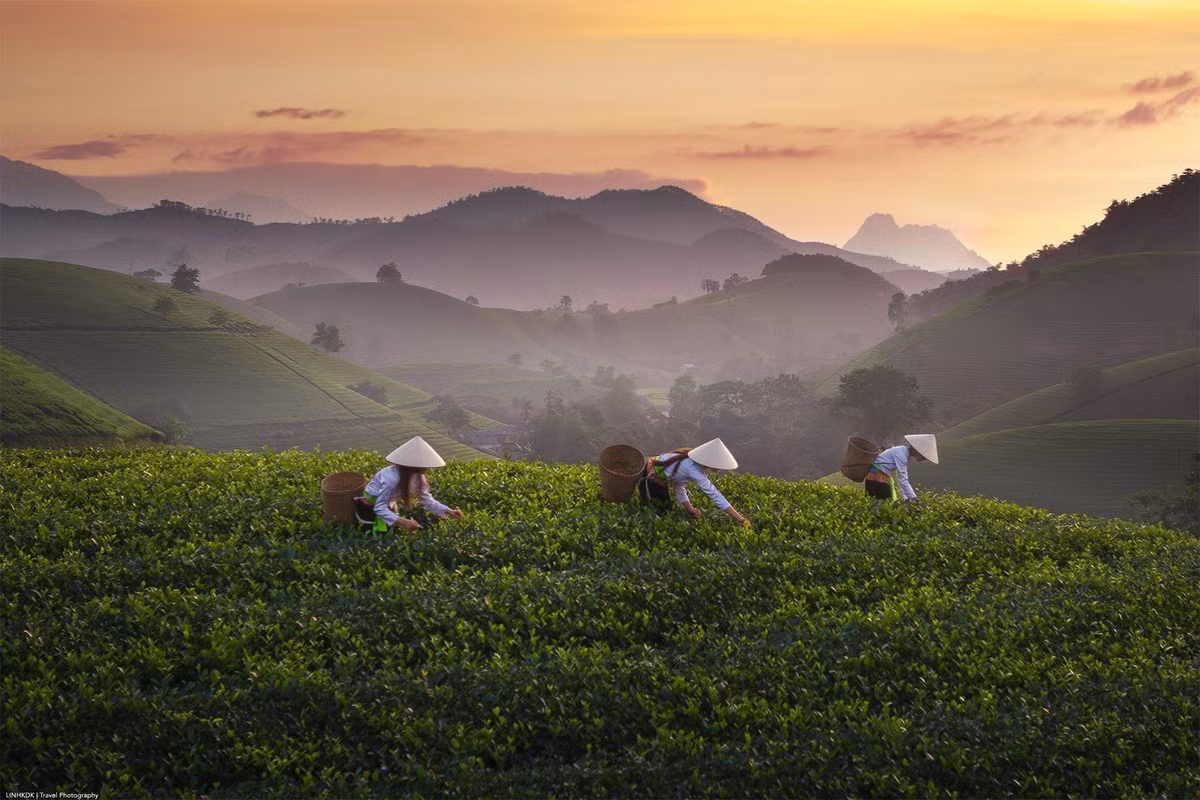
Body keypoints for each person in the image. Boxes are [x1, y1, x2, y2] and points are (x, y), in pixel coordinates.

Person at [357, 436, 463, 532]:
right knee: (372, 535)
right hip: (369, 507)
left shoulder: (418, 475)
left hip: (388, 506)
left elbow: (426, 499)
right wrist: (405, 522)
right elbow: (379, 506)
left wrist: (449, 511)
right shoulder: (390, 477)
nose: (426, 468)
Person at [639, 438, 751, 526]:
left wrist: (690, 509)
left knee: (665, 510)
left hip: (654, 475)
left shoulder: (689, 458)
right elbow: (714, 494)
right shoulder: (693, 470)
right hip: (649, 479)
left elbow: (679, 486)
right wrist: (740, 518)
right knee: (658, 514)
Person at [864, 434, 939, 502]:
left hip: (879, 479)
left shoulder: (905, 455)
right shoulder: (901, 454)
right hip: (875, 480)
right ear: (917, 451)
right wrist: (915, 499)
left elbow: (902, 481)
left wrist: (905, 499)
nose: (924, 459)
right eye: (924, 455)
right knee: (885, 504)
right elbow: (903, 481)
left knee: (882, 504)